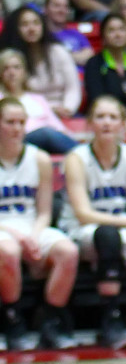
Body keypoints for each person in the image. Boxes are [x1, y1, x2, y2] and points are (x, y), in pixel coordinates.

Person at [58, 95, 126, 348]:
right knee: (108, 235)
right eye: (100, 117)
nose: (106, 123)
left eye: (113, 117)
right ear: (90, 123)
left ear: (123, 124)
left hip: (120, 226)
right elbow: (83, 213)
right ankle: (110, 320)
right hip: (80, 231)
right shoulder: (77, 158)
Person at [0, 97, 79, 350]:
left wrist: (33, 235)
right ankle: (13, 319)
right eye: (9, 122)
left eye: (21, 123)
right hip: (3, 228)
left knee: (68, 251)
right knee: (9, 251)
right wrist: (19, 237)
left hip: (31, 225)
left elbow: (44, 211)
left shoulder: (40, 159)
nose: (16, 128)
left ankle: (50, 320)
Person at [0, 6, 81, 118]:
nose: (31, 28)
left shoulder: (58, 51)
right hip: (28, 114)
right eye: (25, 24)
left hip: (64, 112)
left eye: (36, 23)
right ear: (15, 29)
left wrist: (67, 108)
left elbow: (73, 88)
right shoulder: (11, 59)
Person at [0, 49, 77, 155]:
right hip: (15, 140)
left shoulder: (37, 99)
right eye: (6, 68)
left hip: (46, 142)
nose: (12, 72)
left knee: (48, 134)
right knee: (45, 133)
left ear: (24, 72)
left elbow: (57, 126)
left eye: (16, 67)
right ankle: (84, 156)